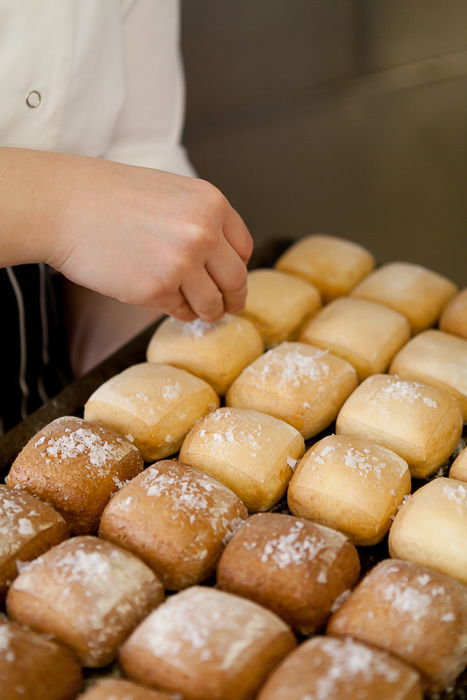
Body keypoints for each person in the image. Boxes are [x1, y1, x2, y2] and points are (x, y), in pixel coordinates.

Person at [0, 0, 252, 432]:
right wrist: (64, 207)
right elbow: (94, 209)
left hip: (35, 361)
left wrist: (141, 386)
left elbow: (133, 158)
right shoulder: (72, 208)